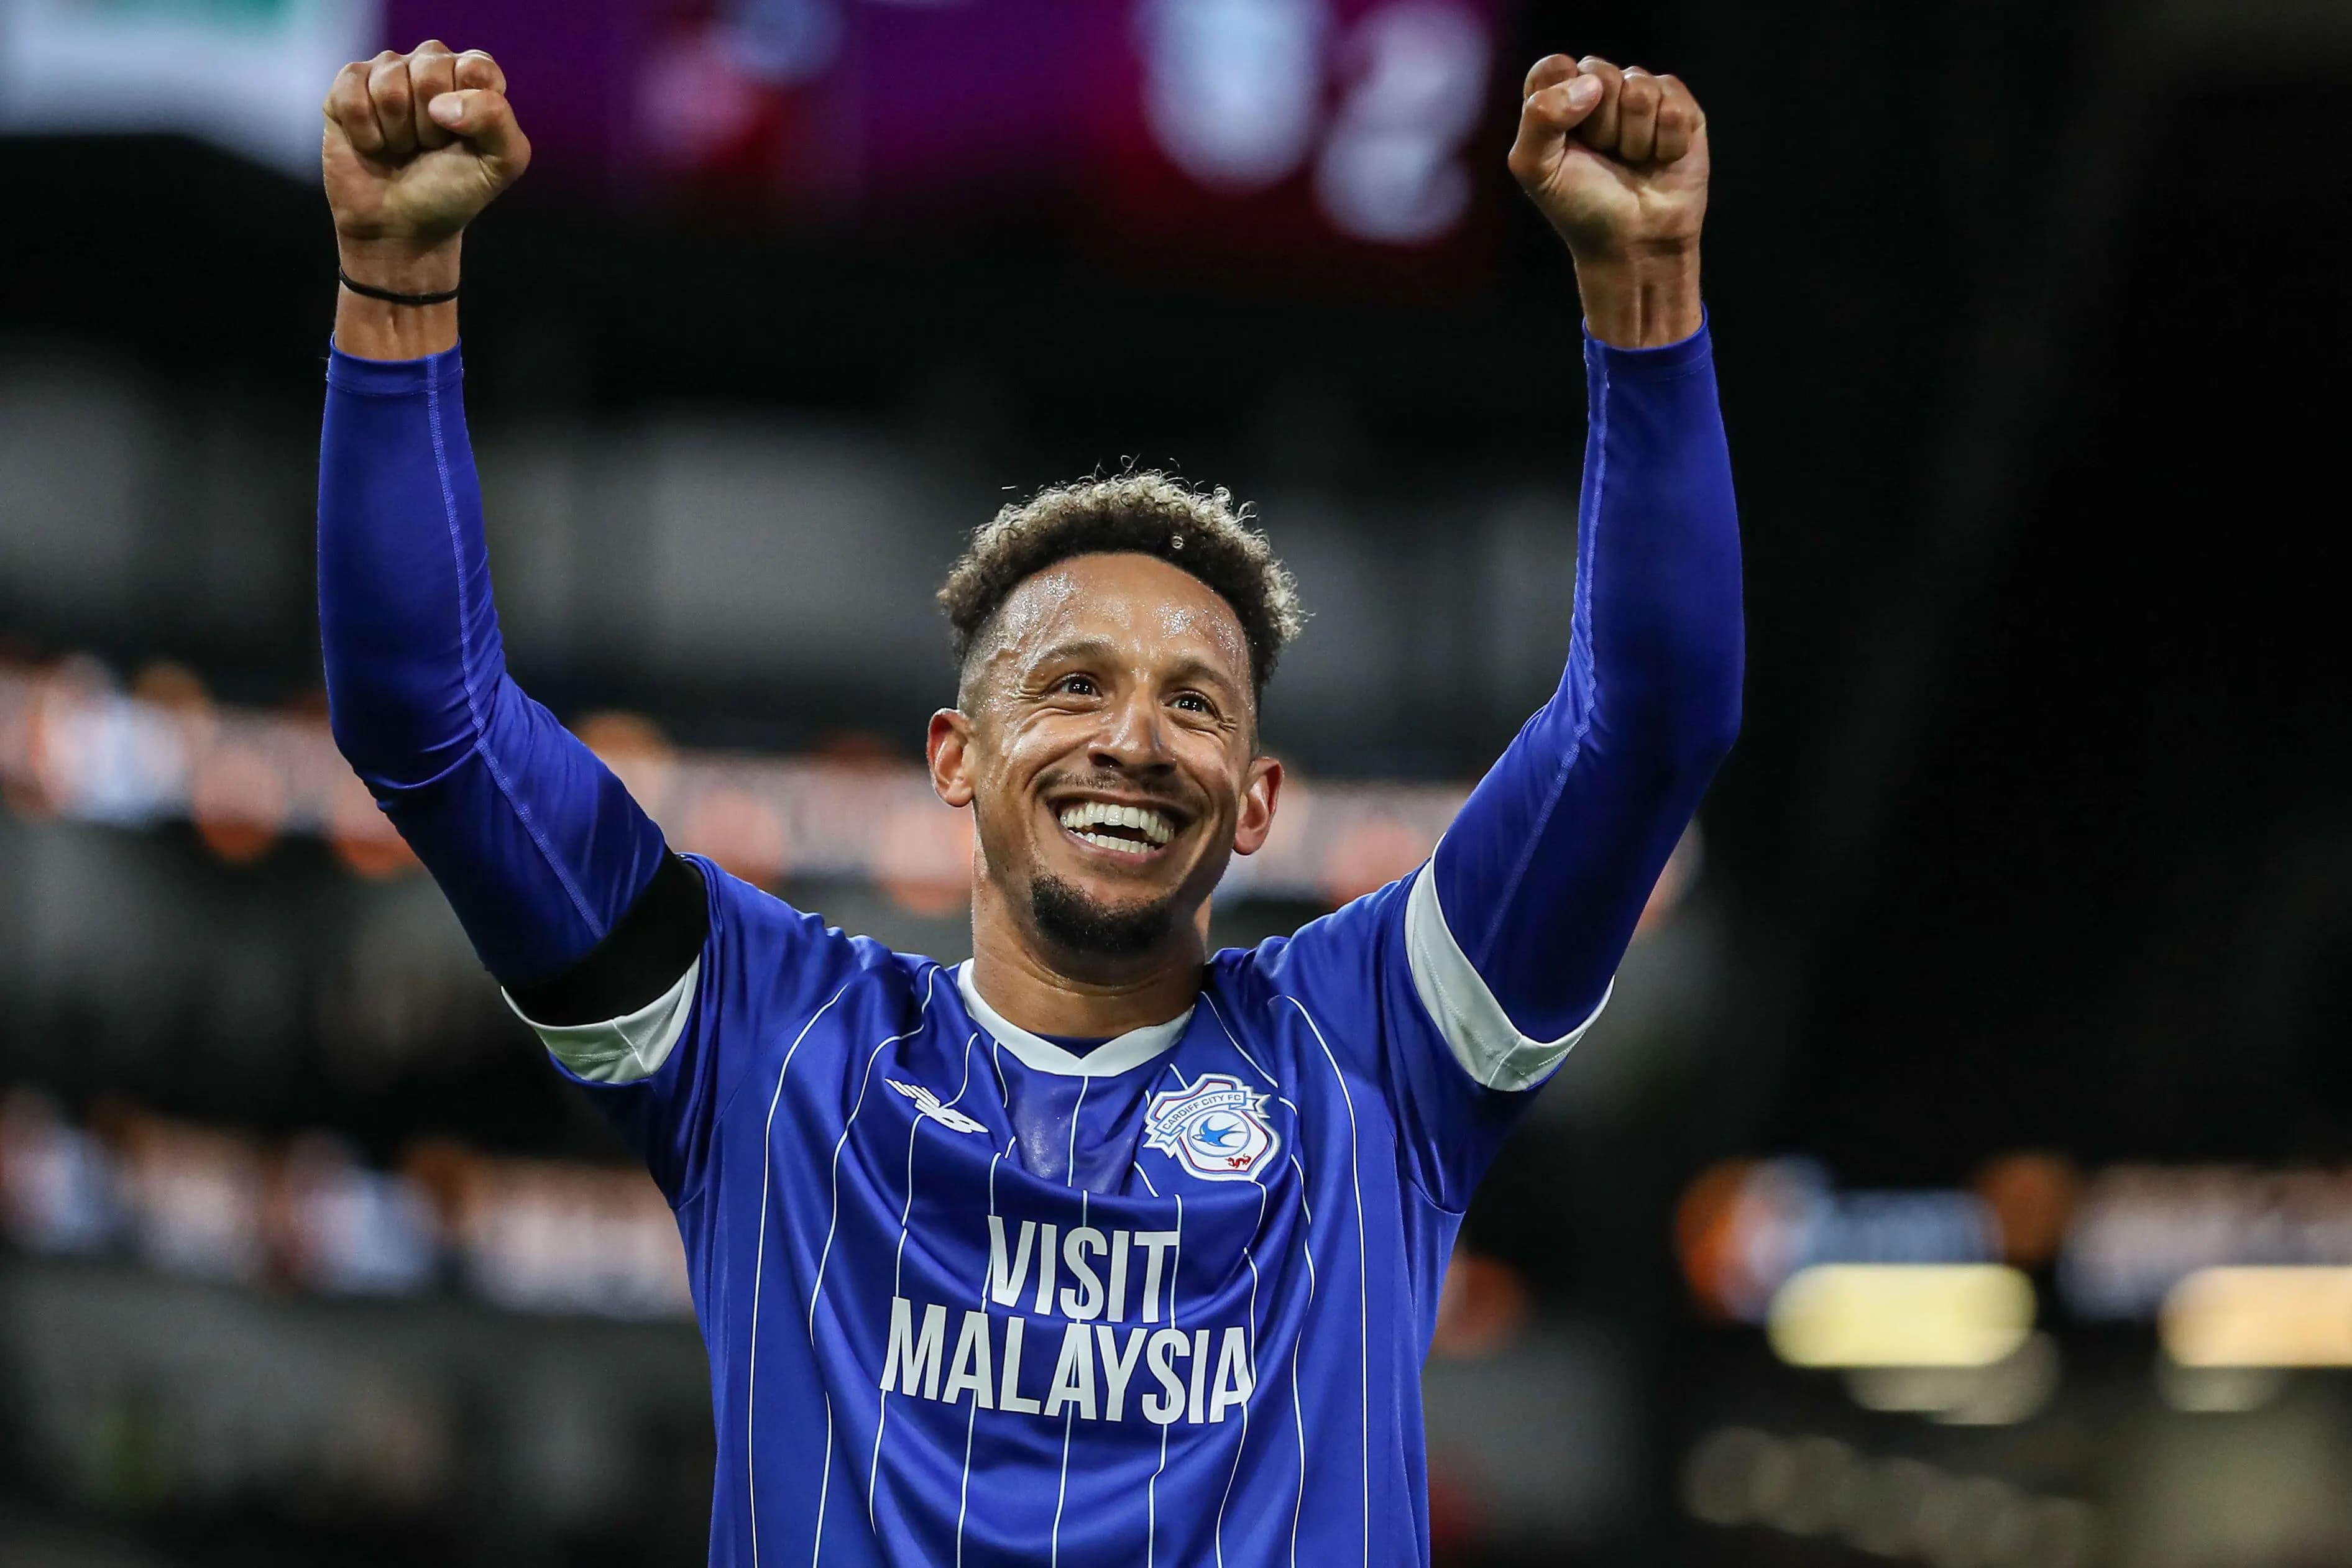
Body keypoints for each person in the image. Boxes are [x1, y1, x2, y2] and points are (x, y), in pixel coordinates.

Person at [316, 39, 1740, 1568]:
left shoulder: (1376, 1051)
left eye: (1194, 703)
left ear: (1255, 802)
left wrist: (1644, 293)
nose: (1133, 738)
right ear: (955, 756)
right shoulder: (762, 1040)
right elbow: (428, 722)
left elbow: (1646, 727)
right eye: (1070, 685)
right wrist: (395, 284)